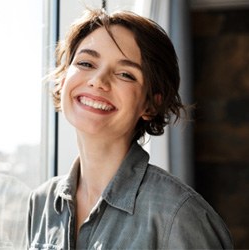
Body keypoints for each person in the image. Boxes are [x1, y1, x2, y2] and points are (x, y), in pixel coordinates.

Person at [26, 9, 233, 249]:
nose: (98, 81)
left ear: (150, 103)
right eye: (86, 63)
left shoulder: (180, 215)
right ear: (63, 81)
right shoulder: (41, 203)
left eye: (125, 74)